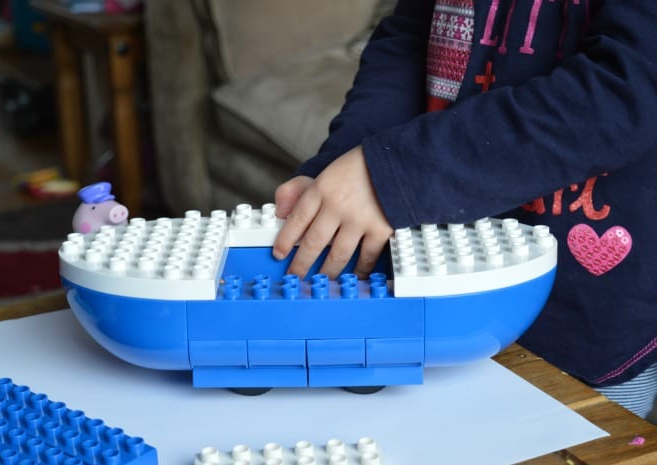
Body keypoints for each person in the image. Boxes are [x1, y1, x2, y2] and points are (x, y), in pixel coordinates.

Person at [271, 0, 657, 419]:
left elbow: (625, 91)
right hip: (421, 299)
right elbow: (411, 38)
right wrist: (345, 174)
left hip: (585, 325)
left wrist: (393, 175)